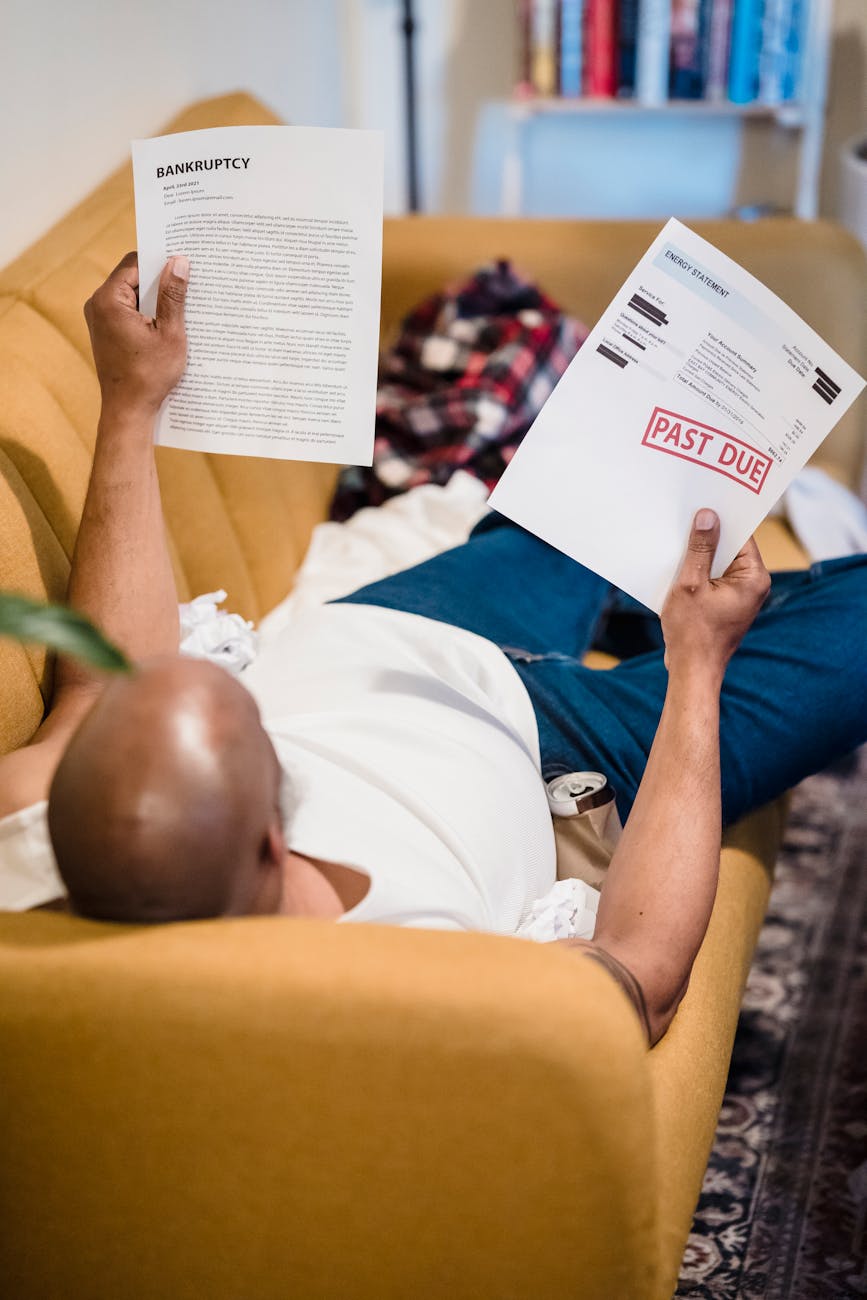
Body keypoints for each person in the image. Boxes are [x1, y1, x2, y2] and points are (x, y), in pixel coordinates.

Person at [1, 253, 865, 1047]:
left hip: (398, 627)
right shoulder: (412, 992)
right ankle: (689, 621)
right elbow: (641, 977)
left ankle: (661, 602)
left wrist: (132, 399)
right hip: (556, 752)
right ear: (274, 837)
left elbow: (95, 688)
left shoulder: (44, 826)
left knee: (599, 500)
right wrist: (697, 667)